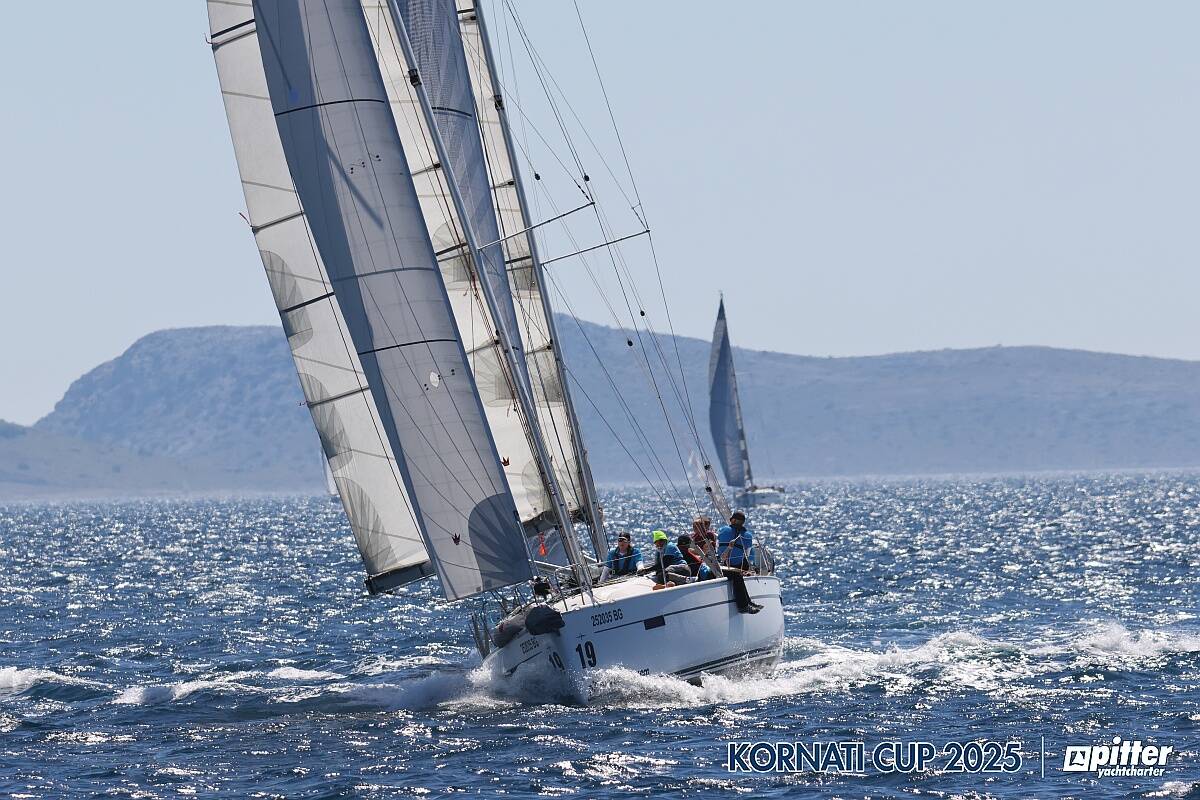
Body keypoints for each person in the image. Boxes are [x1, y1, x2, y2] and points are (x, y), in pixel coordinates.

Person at [717, 512, 762, 613]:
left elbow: (717, 547)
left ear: (732, 520)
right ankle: (743, 606)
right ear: (743, 523)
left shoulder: (722, 530)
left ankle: (747, 602)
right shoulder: (748, 535)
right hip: (734, 567)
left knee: (737, 574)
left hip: (722, 565)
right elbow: (747, 554)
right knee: (737, 575)